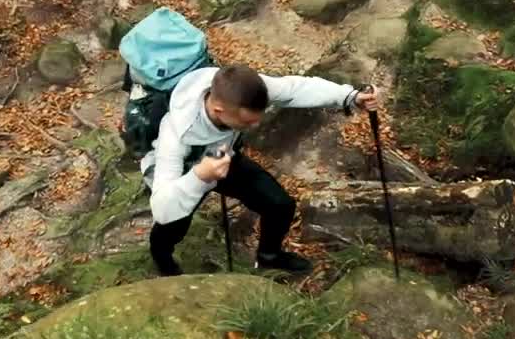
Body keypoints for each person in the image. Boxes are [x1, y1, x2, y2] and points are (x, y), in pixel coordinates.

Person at [142, 64, 379, 276]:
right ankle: (163, 261)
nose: (255, 126)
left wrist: (350, 97)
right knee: (171, 225)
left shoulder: (244, 88)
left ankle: (269, 257)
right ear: (218, 110)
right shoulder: (175, 133)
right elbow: (162, 207)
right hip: (189, 172)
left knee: (279, 205)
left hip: (224, 155)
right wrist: (199, 177)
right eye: (246, 122)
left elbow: (296, 88)